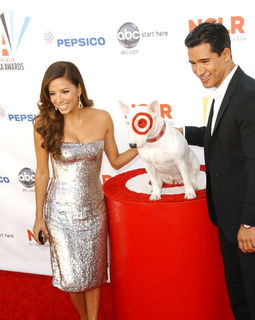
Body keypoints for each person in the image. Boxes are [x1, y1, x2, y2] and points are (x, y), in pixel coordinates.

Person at [183, 23, 255, 319]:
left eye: (205, 61)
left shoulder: (249, 96)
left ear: (225, 54)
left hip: (248, 221)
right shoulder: (224, 89)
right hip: (229, 218)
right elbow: (220, 137)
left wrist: (250, 223)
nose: (198, 70)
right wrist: (180, 132)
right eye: (192, 63)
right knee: (240, 297)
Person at [32, 61, 138, 320]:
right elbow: (43, 173)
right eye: (52, 93)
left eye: (64, 91)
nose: (59, 99)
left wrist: (143, 143)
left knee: (93, 273)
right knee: (72, 277)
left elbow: (115, 160)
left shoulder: (102, 117)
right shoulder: (43, 124)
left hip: (94, 211)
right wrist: (38, 216)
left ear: (79, 88)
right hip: (60, 214)